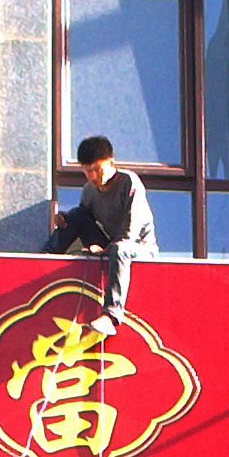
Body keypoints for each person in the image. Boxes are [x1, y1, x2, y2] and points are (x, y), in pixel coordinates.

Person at [43, 134, 156, 336]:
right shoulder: (89, 190)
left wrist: (104, 250)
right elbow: (83, 220)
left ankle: (112, 315)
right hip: (110, 245)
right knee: (76, 215)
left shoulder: (129, 182)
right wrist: (65, 220)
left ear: (111, 162)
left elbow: (130, 233)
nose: (94, 177)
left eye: (98, 169)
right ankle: (43, 259)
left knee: (121, 248)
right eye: (88, 171)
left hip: (138, 248)